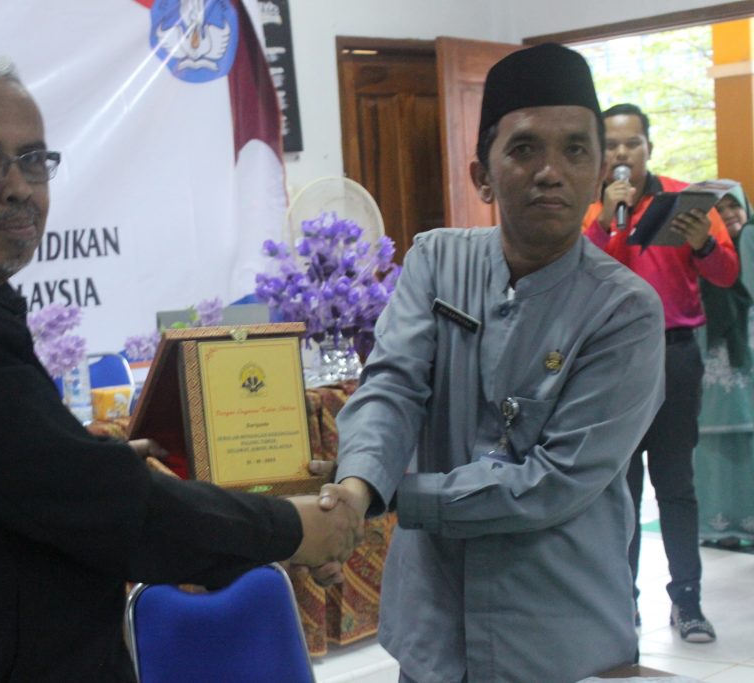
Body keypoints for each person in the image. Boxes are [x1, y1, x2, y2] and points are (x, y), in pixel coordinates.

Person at [0, 49, 360, 682]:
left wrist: (73, 458)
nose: (19, 186)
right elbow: (115, 513)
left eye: (33, 159)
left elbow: (8, 480)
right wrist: (294, 527)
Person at [315, 43, 665, 683]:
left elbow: (555, 480)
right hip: (433, 632)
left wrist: (391, 500)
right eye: (525, 148)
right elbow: (391, 385)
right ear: (483, 175)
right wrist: (357, 487)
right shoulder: (436, 260)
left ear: (598, 174)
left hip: (557, 640)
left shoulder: (626, 311)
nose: (550, 172)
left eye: (575, 150)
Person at [582, 103, 738, 642]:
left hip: (674, 355)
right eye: (612, 145)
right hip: (613, 361)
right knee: (619, 487)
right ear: (602, 154)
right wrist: (605, 224)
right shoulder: (593, 210)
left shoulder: (685, 202)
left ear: (649, 146)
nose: (623, 153)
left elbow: (726, 274)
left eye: (633, 143)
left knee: (675, 483)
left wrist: (702, 243)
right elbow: (574, 278)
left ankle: (687, 602)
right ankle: (621, 602)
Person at [694, 183, 754, 548]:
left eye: (735, 206)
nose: (729, 214)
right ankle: (716, 525)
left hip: (747, 358)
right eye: (720, 209)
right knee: (710, 448)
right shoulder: (697, 254)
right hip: (709, 358)